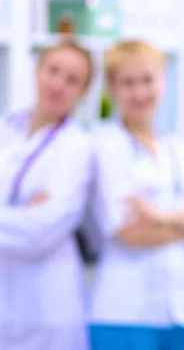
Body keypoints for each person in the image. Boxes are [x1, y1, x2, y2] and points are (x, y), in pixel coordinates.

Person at [87, 39, 184, 350]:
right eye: (128, 83)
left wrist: (162, 216)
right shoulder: (104, 145)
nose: (140, 92)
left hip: (183, 310)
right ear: (111, 88)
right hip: (124, 313)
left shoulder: (177, 148)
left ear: (163, 80)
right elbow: (130, 232)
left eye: (148, 80)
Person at [0, 40, 95, 350]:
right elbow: (25, 223)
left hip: (48, 307)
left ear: (83, 92)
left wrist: (29, 215)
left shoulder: (77, 146)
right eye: (53, 71)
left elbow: (40, 230)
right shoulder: (7, 128)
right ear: (37, 71)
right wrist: (22, 211)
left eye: (73, 80)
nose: (59, 84)